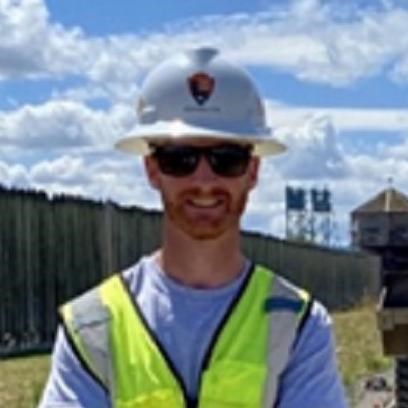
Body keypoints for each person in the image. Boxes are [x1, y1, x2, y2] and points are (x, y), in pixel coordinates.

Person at [39, 47, 348, 407]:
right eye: (179, 159)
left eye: (227, 159)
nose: (203, 180)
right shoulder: (91, 327)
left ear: (253, 171)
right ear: (152, 169)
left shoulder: (298, 325)